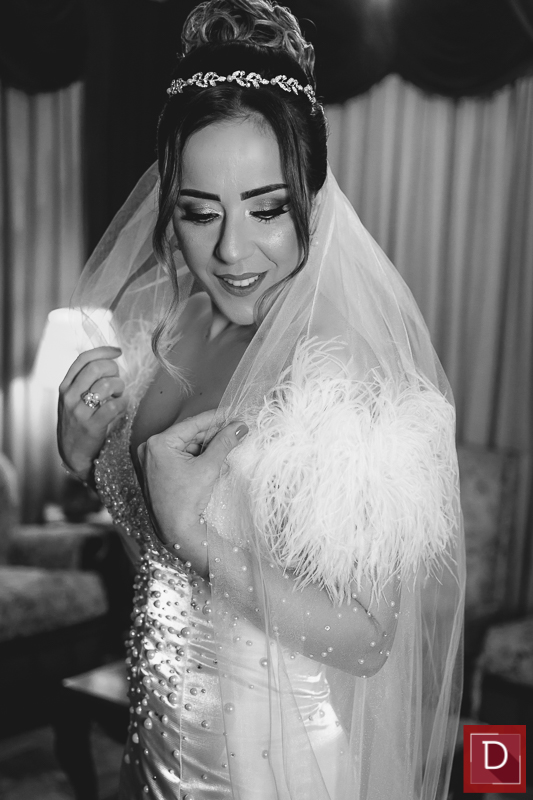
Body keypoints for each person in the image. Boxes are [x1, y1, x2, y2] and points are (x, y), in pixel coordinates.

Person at [57, 1, 465, 798]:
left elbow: (368, 642)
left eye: (268, 208)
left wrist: (197, 538)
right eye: (198, 212)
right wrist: (84, 458)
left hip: (268, 763)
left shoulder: (343, 375)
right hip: (158, 735)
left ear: (312, 193)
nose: (230, 250)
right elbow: (154, 559)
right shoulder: (176, 323)